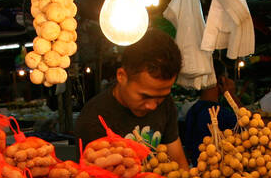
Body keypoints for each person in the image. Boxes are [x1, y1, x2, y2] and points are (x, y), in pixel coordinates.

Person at [74, 30, 190, 170]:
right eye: (145, 96)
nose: (153, 106)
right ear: (122, 76)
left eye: (161, 97)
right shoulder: (94, 118)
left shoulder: (165, 104)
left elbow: (178, 161)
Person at [180, 61, 237, 156]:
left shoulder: (192, 111)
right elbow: (248, 127)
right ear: (222, 80)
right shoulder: (220, 114)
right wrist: (231, 95)